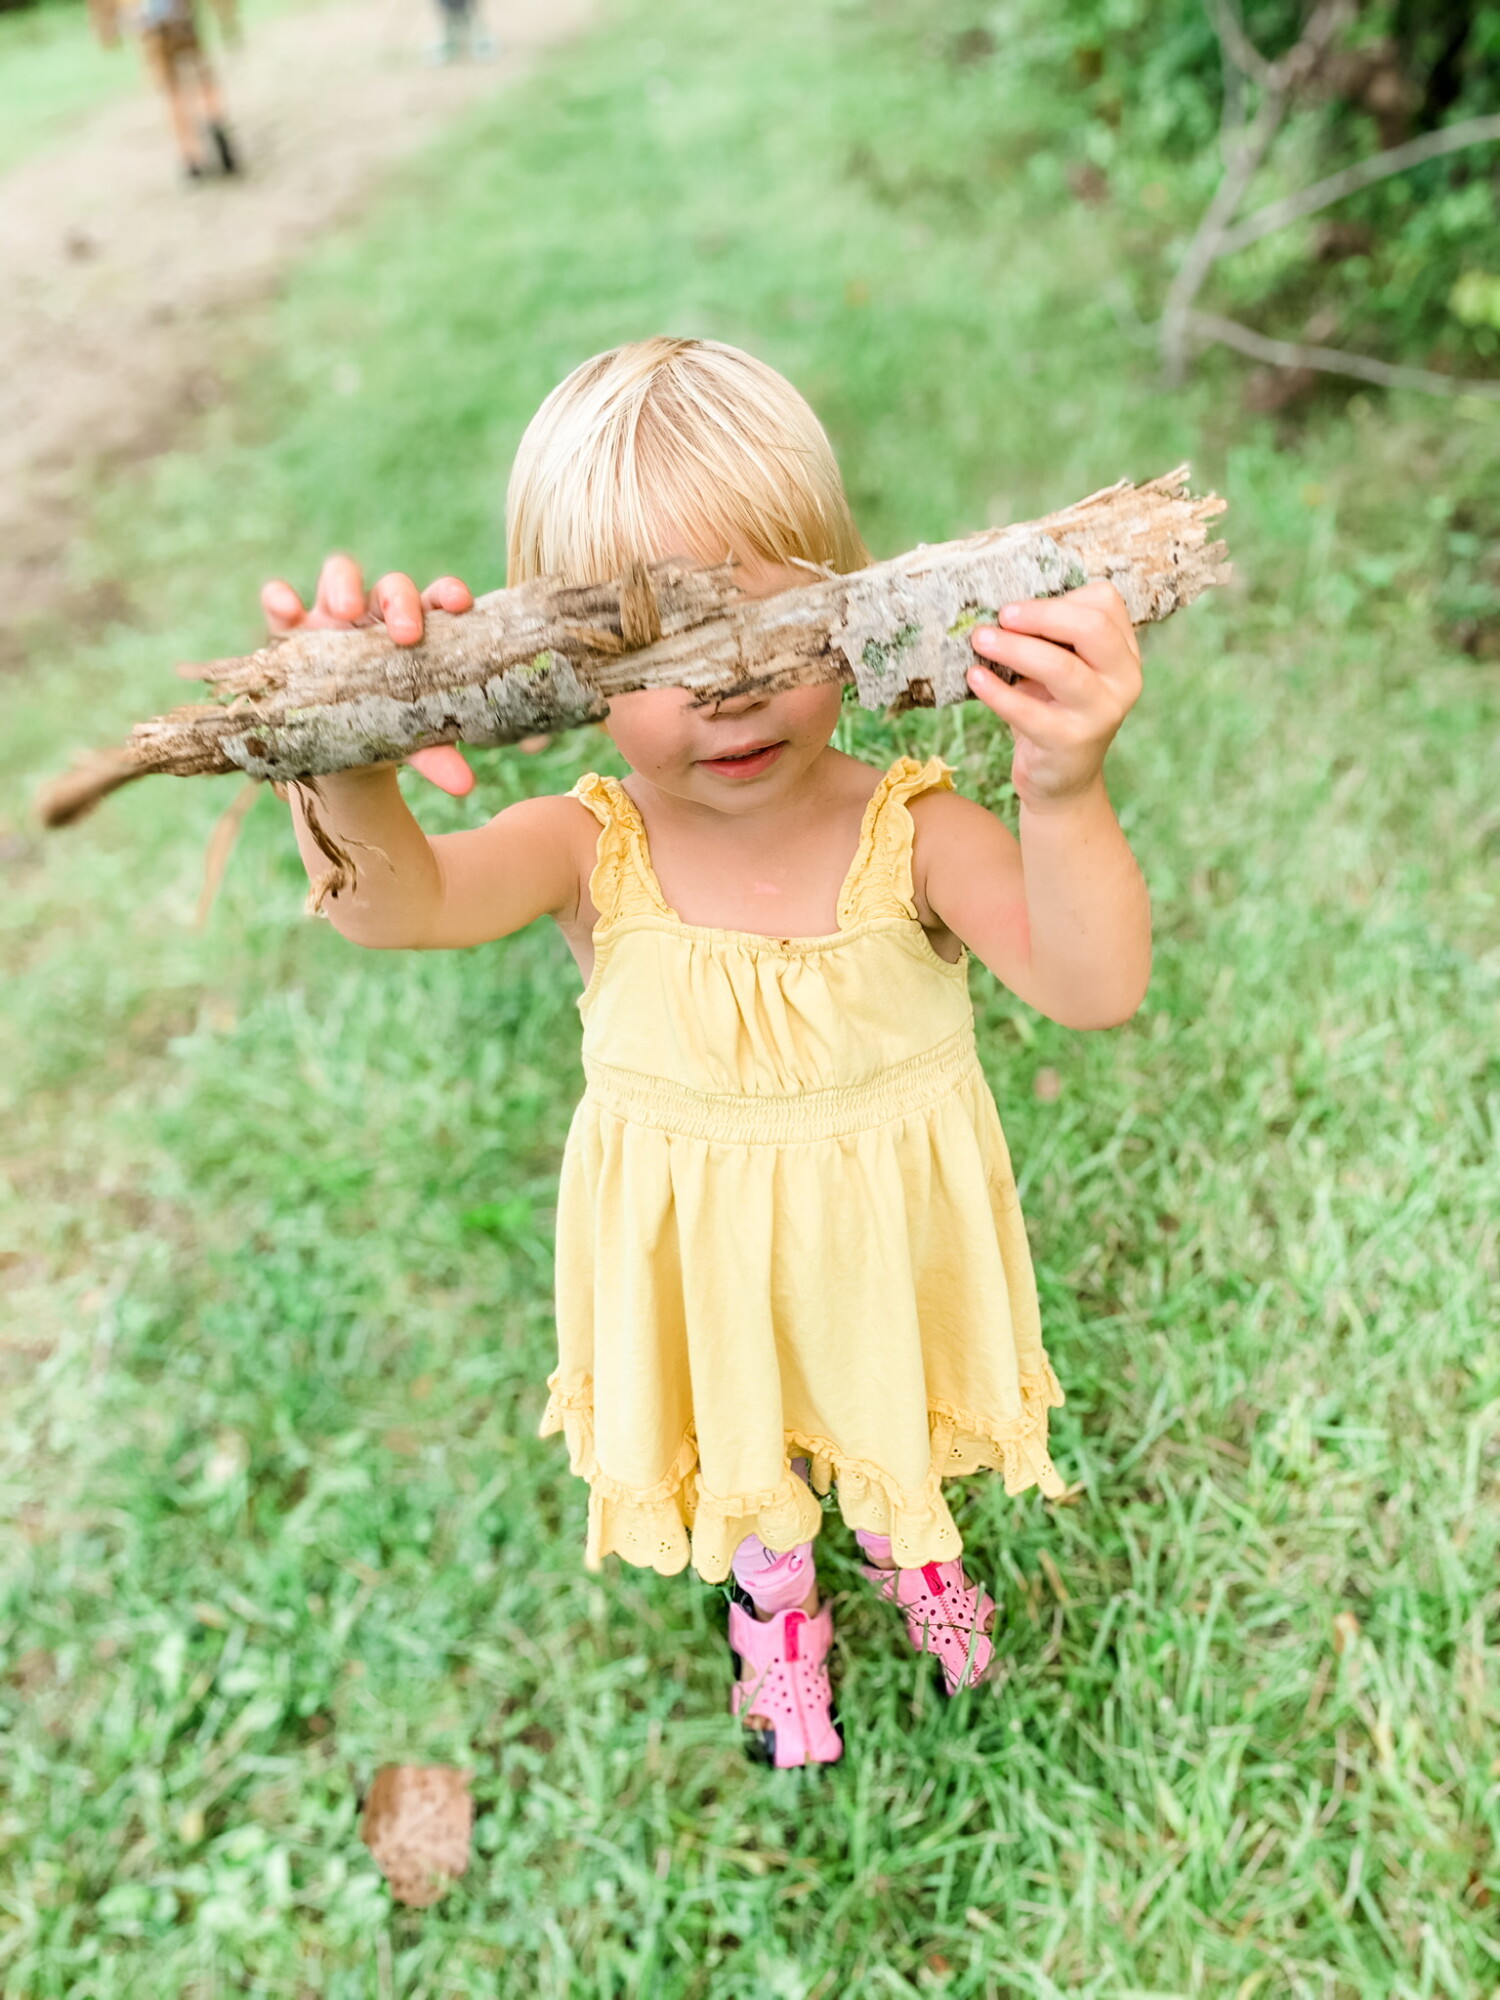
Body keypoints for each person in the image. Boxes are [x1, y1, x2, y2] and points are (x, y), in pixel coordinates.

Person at [262, 337, 1150, 1769]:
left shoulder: (918, 834)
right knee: (748, 1456)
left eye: (762, 638)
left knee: (879, 1414)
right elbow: (398, 908)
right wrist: (342, 749)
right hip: (702, 1264)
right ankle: (772, 1608)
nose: (723, 699)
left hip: (878, 1252)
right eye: (655, 657)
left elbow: (1096, 987)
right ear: (551, 674)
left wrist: (1065, 784)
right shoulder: (583, 846)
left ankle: (907, 1543)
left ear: (855, 604)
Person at [89, 0, 240, 181]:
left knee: (172, 90)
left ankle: (191, 159)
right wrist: (225, 17)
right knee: (202, 76)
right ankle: (214, 121)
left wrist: (109, 33)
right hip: (182, 17)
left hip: (152, 28)